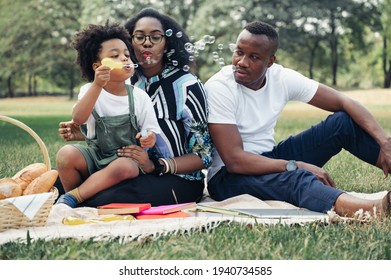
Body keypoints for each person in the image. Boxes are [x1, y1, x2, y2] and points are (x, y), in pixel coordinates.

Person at [205, 21, 391, 217]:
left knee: (342, 123)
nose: (242, 62)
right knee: (297, 177)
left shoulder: (281, 78)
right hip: (228, 177)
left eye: (254, 57)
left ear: (270, 61)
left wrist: (385, 142)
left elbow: (344, 102)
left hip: (269, 157)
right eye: (239, 52)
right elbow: (235, 160)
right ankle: (375, 210)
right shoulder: (220, 87)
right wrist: (294, 165)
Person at [56, 8, 212, 207]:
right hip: (121, 167)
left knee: (109, 197)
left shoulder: (187, 85)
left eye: (156, 37)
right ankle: (73, 197)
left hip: (176, 178)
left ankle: (74, 200)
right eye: (139, 37)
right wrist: (84, 131)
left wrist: (156, 165)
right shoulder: (123, 82)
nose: (147, 42)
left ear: (167, 44)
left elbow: (204, 155)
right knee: (64, 173)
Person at [56, 22, 160, 208]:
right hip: (96, 156)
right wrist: (97, 86)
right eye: (115, 55)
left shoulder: (138, 96)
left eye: (127, 55)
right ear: (97, 66)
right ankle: (75, 201)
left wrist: (148, 138)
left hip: (127, 161)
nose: (124, 58)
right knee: (66, 154)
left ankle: (75, 197)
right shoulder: (90, 90)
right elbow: (78, 119)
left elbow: (150, 130)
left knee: (124, 166)